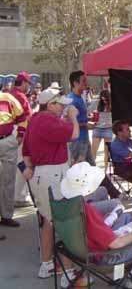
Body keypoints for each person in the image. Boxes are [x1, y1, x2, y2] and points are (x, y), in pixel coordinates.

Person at [60, 162, 132, 289]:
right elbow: (116, 244)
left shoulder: (64, 205)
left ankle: (131, 273)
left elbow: (97, 232)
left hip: (84, 251)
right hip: (106, 258)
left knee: (126, 217)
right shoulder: (86, 211)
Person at [22, 88, 80, 279]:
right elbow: (74, 134)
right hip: (52, 175)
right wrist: (73, 117)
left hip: (44, 174)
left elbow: (26, 151)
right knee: (64, 221)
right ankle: (68, 271)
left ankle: (47, 264)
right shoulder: (48, 120)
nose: (63, 106)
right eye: (60, 103)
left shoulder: (35, 120)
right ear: (51, 104)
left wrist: (29, 169)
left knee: (49, 220)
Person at [0, 90, 25, 232]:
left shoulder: (8, 98)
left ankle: (6, 216)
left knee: (8, 181)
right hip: (7, 142)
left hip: (7, 141)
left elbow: (22, 117)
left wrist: (21, 134)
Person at [10, 72, 33, 208]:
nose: (28, 86)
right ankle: (18, 197)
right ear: (23, 83)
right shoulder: (20, 96)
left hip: (9, 131)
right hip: (19, 130)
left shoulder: (9, 94)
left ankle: (16, 195)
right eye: (27, 84)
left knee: (13, 164)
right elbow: (26, 118)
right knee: (22, 163)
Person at [67, 70, 95, 165]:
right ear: (75, 83)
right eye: (83, 80)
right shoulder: (71, 99)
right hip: (77, 141)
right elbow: (68, 122)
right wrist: (85, 125)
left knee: (90, 169)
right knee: (78, 171)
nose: (86, 83)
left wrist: (89, 118)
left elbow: (79, 117)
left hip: (84, 139)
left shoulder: (80, 97)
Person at [91, 90, 113, 170]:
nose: (104, 101)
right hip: (97, 129)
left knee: (106, 152)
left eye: (105, 99)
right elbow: (90, 112)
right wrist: (92, 116)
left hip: (108, 129)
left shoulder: (111, 105)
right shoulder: (97, 103)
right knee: (93, 151)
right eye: (102, 99)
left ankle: (105, 171)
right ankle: (92, 169)